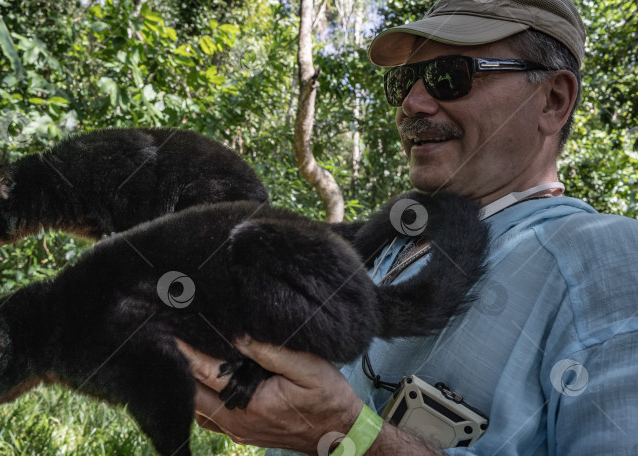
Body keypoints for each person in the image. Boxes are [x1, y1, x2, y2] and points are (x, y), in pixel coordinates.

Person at [177, 0, 638, 454]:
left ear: (553, 101)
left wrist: (347, 434)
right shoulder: (393, 244)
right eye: (403, 82)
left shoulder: (604, 257)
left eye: (451, 76)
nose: (412, 104)